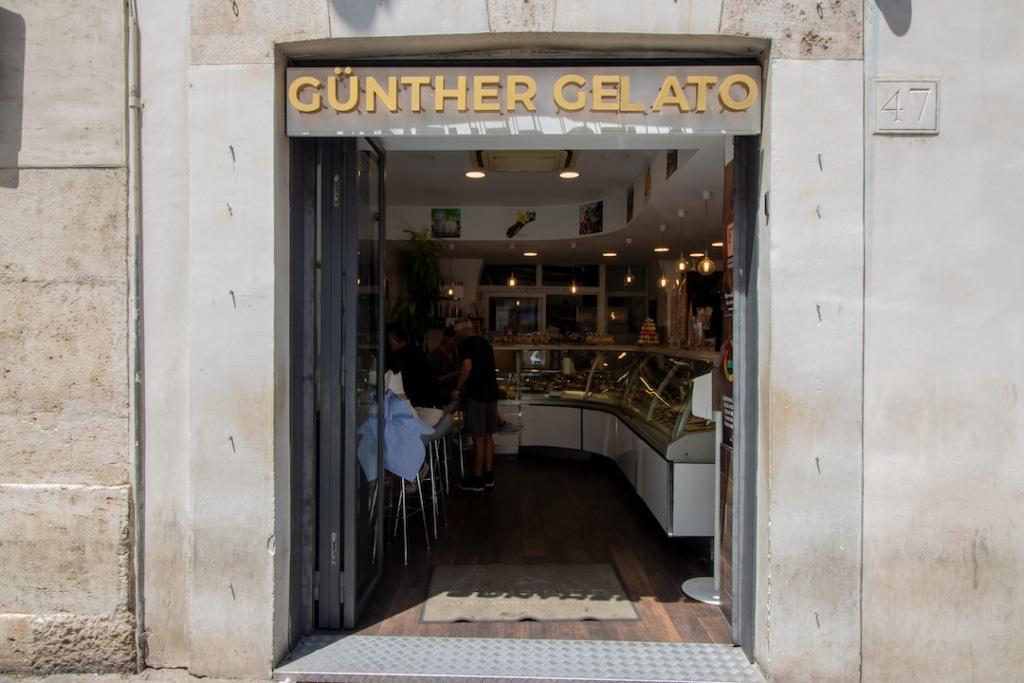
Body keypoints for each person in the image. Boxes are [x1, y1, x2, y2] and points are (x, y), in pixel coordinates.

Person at [451, 319, 499, 492]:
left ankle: (477, 478)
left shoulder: (465, 344)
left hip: (477, 394)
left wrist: (457, 388)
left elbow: (467, 367)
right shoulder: (485, 343)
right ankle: (488, 475)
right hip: (492, 393)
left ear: (461, 332)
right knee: (488, 436)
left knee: (478, 437)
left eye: (457, 334)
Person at [385, 324, 441, 408]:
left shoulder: (398, 357)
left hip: (415, 404)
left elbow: (398, 383)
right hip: (428, 401)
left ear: (392, 341)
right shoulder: (416, 350)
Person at [430, 326, 460, 399]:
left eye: (459, 341)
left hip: (453, 392)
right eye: (455, 340)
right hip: (439, 392)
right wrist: (452, 375)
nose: (457, 343)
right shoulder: (436, 354)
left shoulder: (455, 354)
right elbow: (433, 380)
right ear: (447, 338)